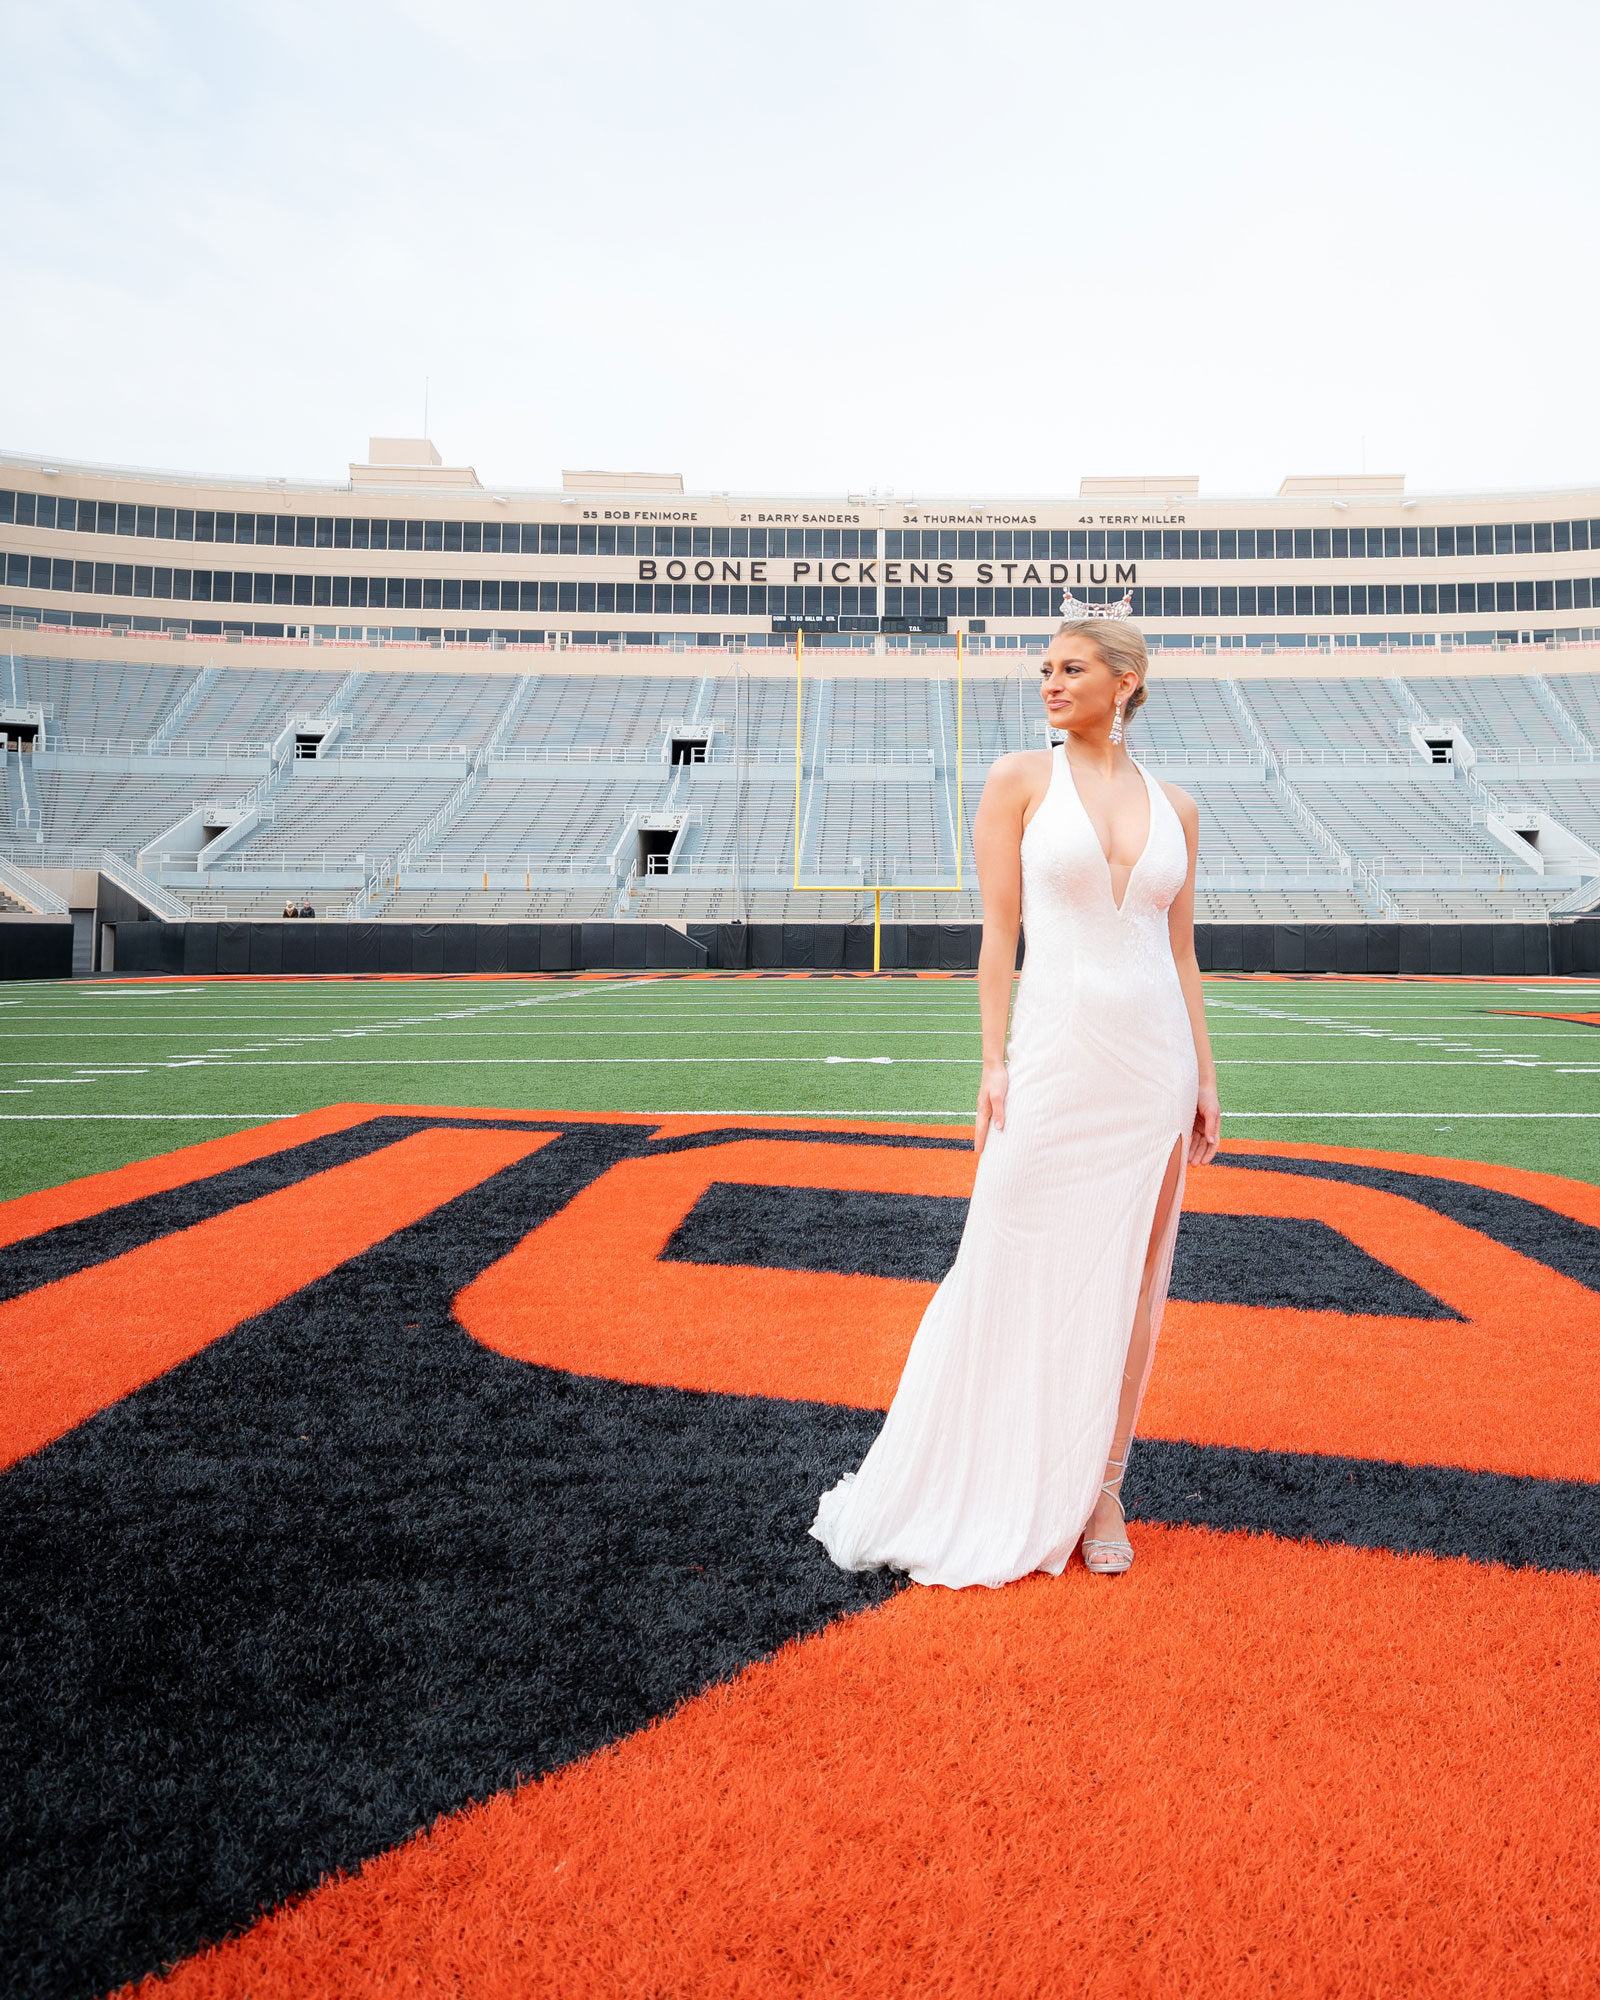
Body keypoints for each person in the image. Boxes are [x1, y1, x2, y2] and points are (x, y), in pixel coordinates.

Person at [811, 599, 1219, 1588]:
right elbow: (998, 938)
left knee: (1132, 1283)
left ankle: (1103, 1485)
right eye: (1044, 667)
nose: (1049, 682)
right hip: (1052, 1053)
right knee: (1003, 1256)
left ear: (1124, 682)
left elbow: (1182, 950)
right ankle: (982, 1471)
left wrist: (1205, 1073)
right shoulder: (1017, 780)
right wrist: (992, 1062)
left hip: (1151, 1064)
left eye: (1071, 668)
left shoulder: (1181, 807)